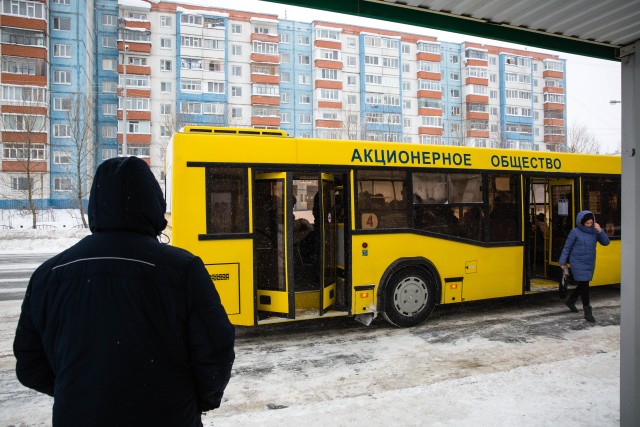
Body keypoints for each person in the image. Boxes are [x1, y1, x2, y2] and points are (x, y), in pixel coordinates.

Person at [13, 157, 235, 426]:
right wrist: (195, 399)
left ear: (95, 206)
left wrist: (80, 393)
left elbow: (29, 363)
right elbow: (216, 349)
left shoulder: (48, 276)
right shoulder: (183, 270)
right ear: (154, 204)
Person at [559, 210, 610, 323]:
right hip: (577, 262)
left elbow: (606, 243)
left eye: (591, 223)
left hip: (589, 262)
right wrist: (562, 262)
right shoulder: (575, 232)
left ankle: (571, 301)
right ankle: (588, 311)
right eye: (586, 223)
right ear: (581, 222)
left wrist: (600, 230)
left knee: (583, 284)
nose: (589, 225)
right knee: (584, 285)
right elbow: (567, 247)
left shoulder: (594, 231)